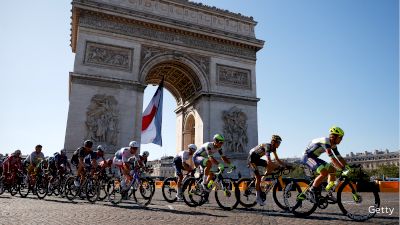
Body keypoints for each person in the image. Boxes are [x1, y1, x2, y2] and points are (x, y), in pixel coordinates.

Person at [301, 126, 349, 203]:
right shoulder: (326, 141)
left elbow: (339, 158)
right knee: (324, 172)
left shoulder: (333, 145)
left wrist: (347, 166)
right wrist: (342, 168)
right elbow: (332, 159)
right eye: (340, 137)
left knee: (332, 170)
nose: (341, 140)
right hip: (307, 157)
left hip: (314, 158)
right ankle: (311, 191)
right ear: (334, 136)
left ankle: (329, 194)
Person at [248, 135, 286, 206]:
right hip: (252, 159)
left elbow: (277, 159)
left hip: (257, 159)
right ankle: (258, 197)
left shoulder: (274, 148)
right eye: (278, 142)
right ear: (273, 142)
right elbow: (269, 161)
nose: (279, 144)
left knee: (271, 167)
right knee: (258, 177)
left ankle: (262, 180)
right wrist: (278, 167)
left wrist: (285, 165)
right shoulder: (268, 147)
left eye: (279, 143)